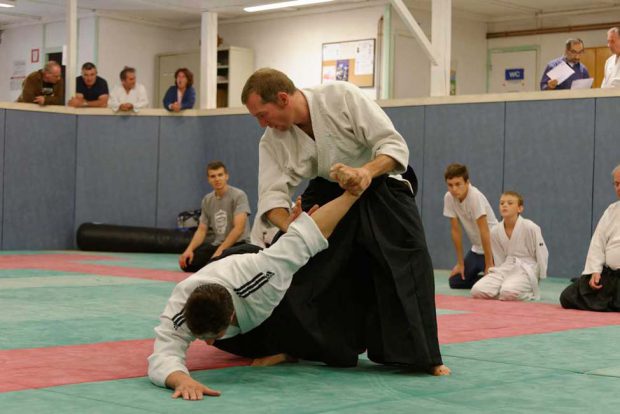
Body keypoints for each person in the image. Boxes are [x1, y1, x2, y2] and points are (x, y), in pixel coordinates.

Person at [229, 68, 448, 377]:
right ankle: (292, 346)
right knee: (289, 262)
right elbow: (272, 196)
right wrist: (291, 227)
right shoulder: (271, 140)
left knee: (408, 256)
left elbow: (392, 146)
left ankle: (423, 356)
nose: (262, 124)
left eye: (262, 115)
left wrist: (365, 172)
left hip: (379, 181)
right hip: (327, 191)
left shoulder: (340, 97)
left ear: (282, 98)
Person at [149, 190, 360, 400]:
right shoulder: (182, 307)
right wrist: (181, 380)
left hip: (249, 274)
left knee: (340, 353)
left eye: (215, 336)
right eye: (202, 337)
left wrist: (352, 193)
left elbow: (309, 234)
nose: (209, 344)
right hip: (230, 289)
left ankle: (285, 346)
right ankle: (277, 348)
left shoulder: (262, 275)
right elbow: (163, 355)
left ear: (231, 314)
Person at [560, 165, 620, 311]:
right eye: (616, 184)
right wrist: (595, 271)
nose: (619, 188)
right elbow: (598, 243)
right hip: (610, 276)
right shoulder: (612, 210)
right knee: (567, 296)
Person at [471, 191, 548, 301]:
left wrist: (539, 276)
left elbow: (542, 252)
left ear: (520, 208)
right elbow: (499, 257)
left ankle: (526, 291)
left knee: (507, 292)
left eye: (510, 203)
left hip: (527, 267)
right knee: (477, 290)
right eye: (502, 203)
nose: (505, 205)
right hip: (506, 267)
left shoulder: (530, 227)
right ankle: (505, 289)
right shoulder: (495, 231)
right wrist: (499, 272)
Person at [179, 161, 251, 273]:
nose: (217, 179)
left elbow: (239, 229)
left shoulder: (239, 195)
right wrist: (189, 250)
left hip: (238, 244)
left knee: (223, 263)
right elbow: (202, 230)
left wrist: (219, 253)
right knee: (188, 264)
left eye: (220, 175)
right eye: (213, 176)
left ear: (226, 176)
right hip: (218, 244)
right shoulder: (207, 200)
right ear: (208, 179)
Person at [443, 163, 498, 289]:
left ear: (467, 182)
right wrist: (460, 263)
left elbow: (484, 231)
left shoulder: (475, 196)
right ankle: (489, 280)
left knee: (490, 285)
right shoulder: (449, 198)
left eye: (458, 184)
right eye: (450, 185)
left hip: (493, 249)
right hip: (476, 250)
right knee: (455, 281)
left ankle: (495, 277)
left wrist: (489, 264)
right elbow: (455, 231)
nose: (454, 189)